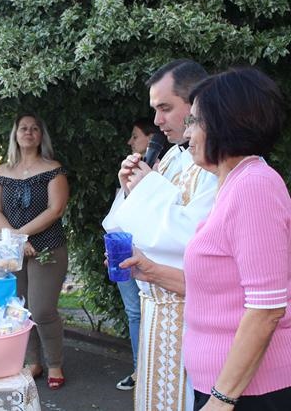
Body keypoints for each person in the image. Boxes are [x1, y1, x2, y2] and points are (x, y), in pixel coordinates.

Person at [102, 59, 217, 411]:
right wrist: (130, 190)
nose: (157, 120)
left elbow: (193, 237)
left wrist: (148, 188)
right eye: (155, 109)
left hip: (189, 315)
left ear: (196, 104)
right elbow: (130, 227)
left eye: (165, 108)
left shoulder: (215, 164)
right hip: (156, 314)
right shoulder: (168, 159)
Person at [180, 68, 289, 409]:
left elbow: (267, 309)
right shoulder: (235, 184)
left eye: (194, 121)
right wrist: (149, 269)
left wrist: (222, 399)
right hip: (228, 387)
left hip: (251, 393)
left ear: (223, 123)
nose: (187, 134)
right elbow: (223, 288)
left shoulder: (254, 186)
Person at [0, 113, 69, 390]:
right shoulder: (2, 171)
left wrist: (20, 236)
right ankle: (33, 362)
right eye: (23, 128)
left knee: (42, 309)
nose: (29, 132)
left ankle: (55, 363)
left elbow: (56, 209)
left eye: (34, 128)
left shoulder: (53, 169)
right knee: (20, 309)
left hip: (48, 247)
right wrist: (16, 241)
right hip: (13, 251)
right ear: (15, 134)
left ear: (41, 135)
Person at [114, 117, 164, 391]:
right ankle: (138, 370)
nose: (130, 142)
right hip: (124, 248)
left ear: (152, 138)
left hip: (153, 257)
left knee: (147, 310)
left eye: (135, 136)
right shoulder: (132, 169)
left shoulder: (169, 167)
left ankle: (154, 372)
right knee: (134, 311)